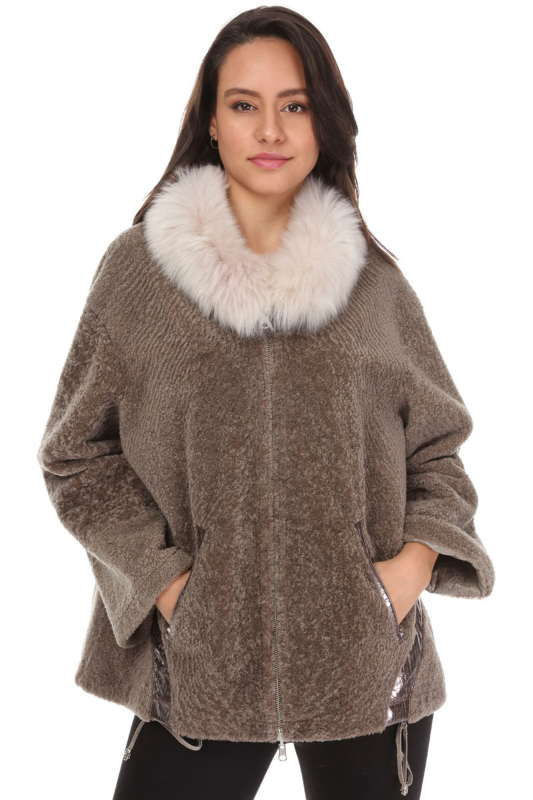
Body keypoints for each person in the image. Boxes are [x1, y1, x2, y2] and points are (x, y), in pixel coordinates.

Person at [36, 6, 496, 799]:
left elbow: (436, 452)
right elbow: (77, 457)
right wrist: (169, 586)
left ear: (324, 121)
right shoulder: (139, 274)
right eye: (244, 104)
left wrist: (405, 574)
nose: (271, 129)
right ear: (211, 122)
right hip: (202, 665)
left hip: (365, 666)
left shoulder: (375, 286)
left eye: (295, 104)